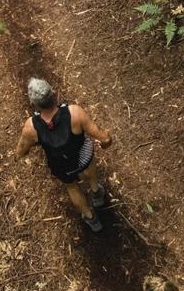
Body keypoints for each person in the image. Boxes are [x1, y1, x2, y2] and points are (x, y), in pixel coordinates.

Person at [14, 77, 113, 232]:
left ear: (33, 103)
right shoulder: (74, 112)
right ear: (53, 93)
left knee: (71, 187)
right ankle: (96, 192)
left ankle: (90, 218)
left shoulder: (31, 127)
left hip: (61, 166)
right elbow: (104, 137)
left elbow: (20, 152)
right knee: (89, 159)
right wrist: (107, 141)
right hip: (83, 156)